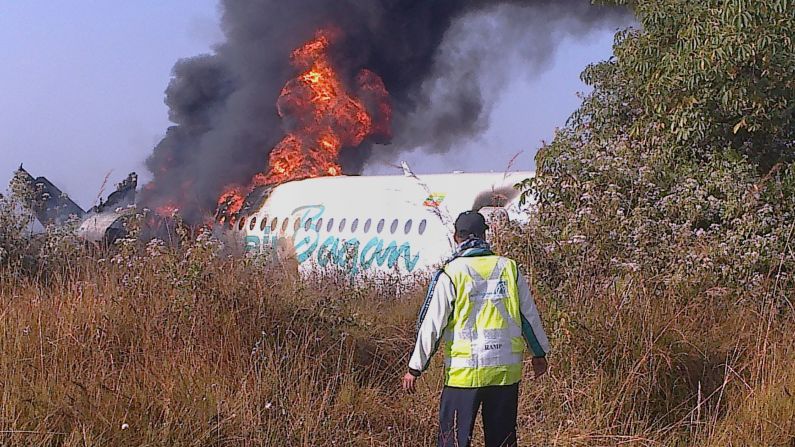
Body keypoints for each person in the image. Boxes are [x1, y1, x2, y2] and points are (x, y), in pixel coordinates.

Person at [402, 210, 550, 447]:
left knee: (453, 440)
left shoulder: (451, 273)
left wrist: (415, 368)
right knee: (502, 441)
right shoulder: (509, 268)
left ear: (455, 237)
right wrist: (539, 354)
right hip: (504, 373)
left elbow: (432, 326)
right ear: (485, 235)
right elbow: (528, 317)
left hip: (464, 376)